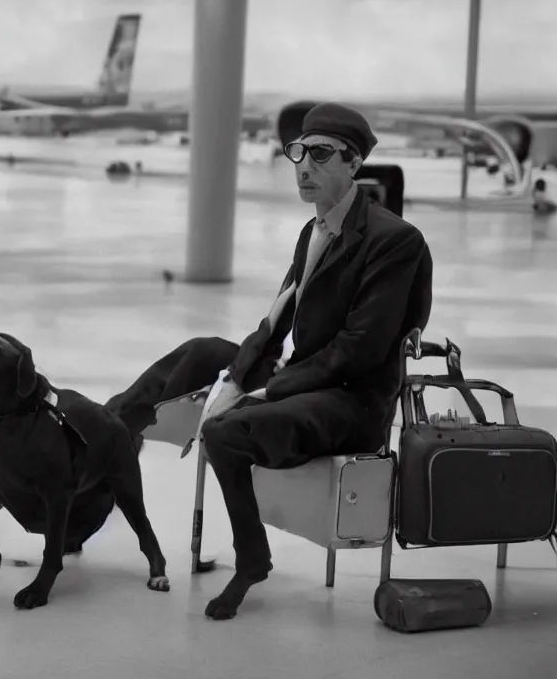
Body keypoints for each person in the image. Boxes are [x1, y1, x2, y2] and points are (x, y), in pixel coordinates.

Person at [105, 102, 433, 620]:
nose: (303, 166)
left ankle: (252, 559)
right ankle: (101, 436)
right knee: (202, 353)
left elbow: (359, 349)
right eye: (297, 153)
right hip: (310, 380)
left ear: (353, 164)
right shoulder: (314, 231)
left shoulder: (395, 241)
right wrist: (237, 374)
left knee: (225, 432)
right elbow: (277, 320)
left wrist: (265, 391)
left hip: (353, 401)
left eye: (320, 155)